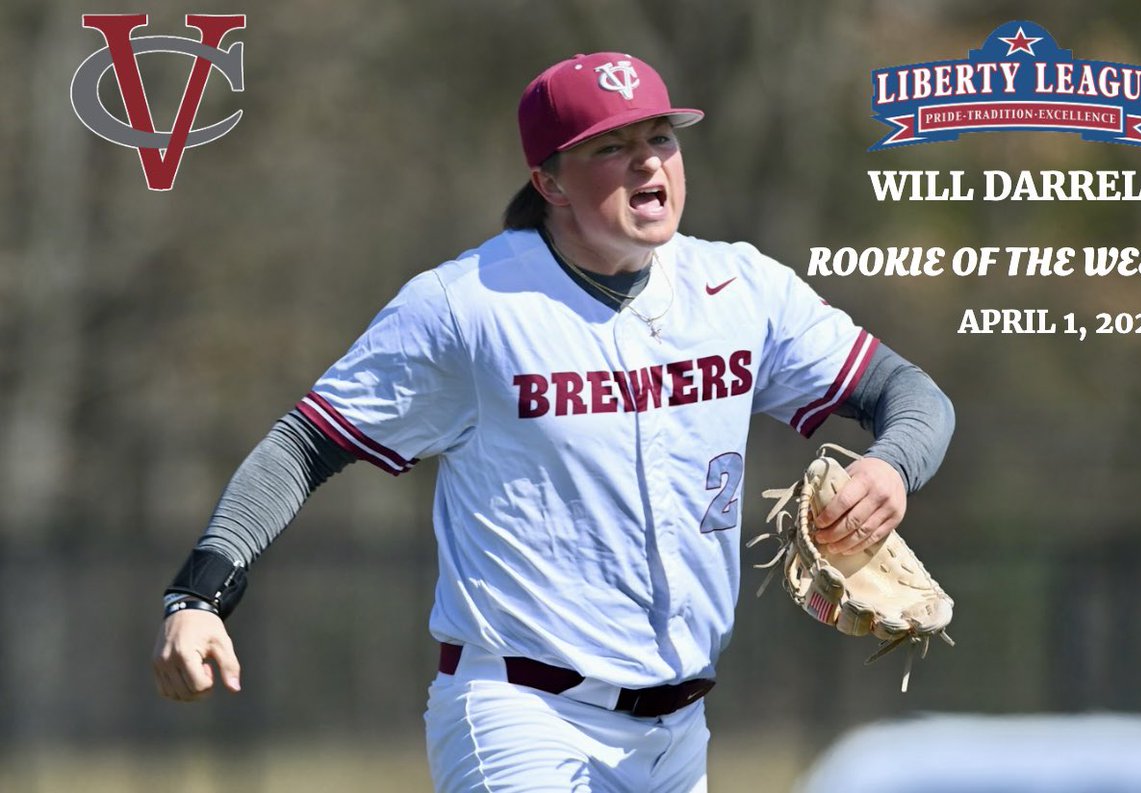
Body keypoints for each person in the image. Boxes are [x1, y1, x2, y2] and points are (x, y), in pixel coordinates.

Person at [152, 52, 954, 792]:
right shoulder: (467, 308)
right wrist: (198, 597)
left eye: (661, 136)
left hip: (678, 733)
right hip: (520, 714)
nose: (649, 160)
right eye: (611, 145)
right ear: (550, 180)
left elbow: (913, 396)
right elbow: (303, 443)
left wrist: (890, 466)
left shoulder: (741, 290)